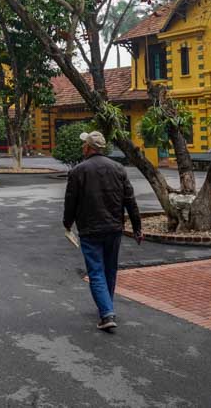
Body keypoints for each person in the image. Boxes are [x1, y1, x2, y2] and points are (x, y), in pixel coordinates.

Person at [63, 130, 143, 332]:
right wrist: (137, 227)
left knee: (96, 271)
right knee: (110, 269)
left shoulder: (78, 171)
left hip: (90, 229)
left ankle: (107, 313)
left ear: (89, 147)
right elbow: (130, 200)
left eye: (84, 144)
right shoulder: (118, 168)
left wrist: (67, 223)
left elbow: (70, 201)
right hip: (114, 228)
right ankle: (107, 306)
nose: (82, 147)